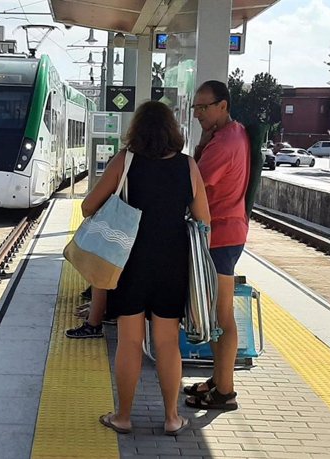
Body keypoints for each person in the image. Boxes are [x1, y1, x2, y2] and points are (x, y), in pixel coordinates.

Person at [83, 100, 210, 436]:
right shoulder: (188, 166)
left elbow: (86, 207)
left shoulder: (125, 162)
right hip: (172, 262)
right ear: (173, 131)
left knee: (129, 341)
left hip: (129, 261)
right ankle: (171, 418)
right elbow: (204, 220)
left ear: (136, 130)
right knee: (168, 342)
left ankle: (123, 416)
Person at [184, 80, 250, 411]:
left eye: (203, 107)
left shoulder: (223, 144)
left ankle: (225, 392)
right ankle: (218, 378)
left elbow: (192, 184)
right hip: (227, 232)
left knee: (222, 316)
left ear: (222, 105)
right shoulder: (231, 134)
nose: (197, 114)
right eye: (195, 107)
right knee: (215, 314)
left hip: (221, 237)